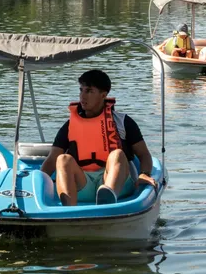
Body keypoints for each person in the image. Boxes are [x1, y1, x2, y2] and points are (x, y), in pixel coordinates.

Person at [40, 69, 158, 206]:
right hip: (83, 183)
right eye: (81, 90)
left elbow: (143, 154)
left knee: (118, 154)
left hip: (117, 183)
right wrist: (37, 183)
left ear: (103, 95)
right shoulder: (69, 126)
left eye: (89, 91)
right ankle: (68, 211)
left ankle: (107, 199)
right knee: (63, 159)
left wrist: (144, 173)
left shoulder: (123, 122)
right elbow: (52, 160)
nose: (83, 96)